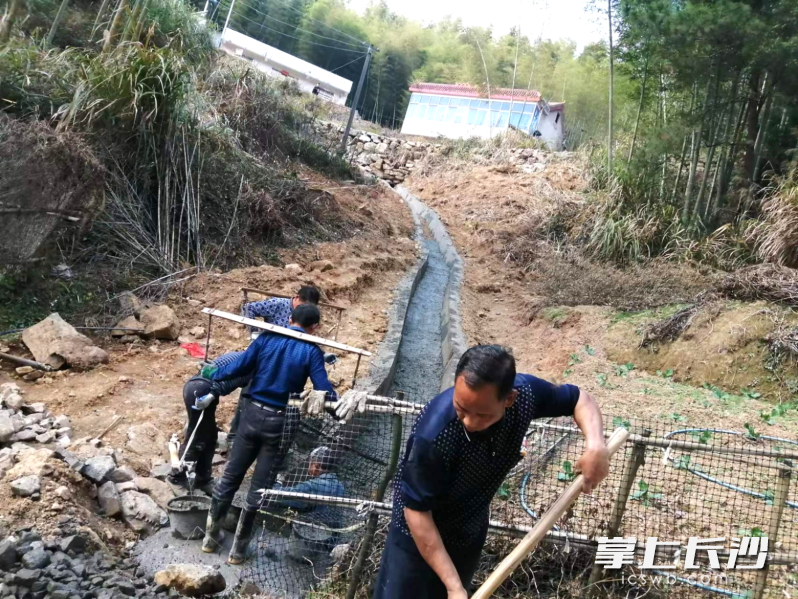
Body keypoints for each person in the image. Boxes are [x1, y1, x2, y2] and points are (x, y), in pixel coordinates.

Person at [372, 345, 609, 599]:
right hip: (417, 539)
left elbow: (579, 399)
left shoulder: (526, 396)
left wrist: (596, 445)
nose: (470, 423)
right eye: (461, 408)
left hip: (468, 529)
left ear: (509, 399)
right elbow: (417, 512)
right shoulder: (434, 435)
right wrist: (453, 587)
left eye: (483, 415)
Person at [197, 303, 339, 565]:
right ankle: (238, 551)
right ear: (315, 327)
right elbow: (323, 390)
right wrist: (338, 406)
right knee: (260, 487)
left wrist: (213, 373)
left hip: (250, 415)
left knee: (230, 477)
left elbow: (241, 366)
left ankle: (209, 539)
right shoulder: (312, 351)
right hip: (280, 422)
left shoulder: (266, 338)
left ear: (289, 318)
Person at [229, 285, 323, 448]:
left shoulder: (307, 317)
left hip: (286, 361)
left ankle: (266, 437)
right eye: (302, 306)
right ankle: (234, 435)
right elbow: (248, 308)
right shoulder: (278, 305)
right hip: (265, 356)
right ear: (295, 299)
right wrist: (254, 334)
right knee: (249, 393)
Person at [167, 351, 252, 492]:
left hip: (198, 386)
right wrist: (209, 397)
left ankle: (203, 479)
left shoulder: (244, 356)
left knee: (210, 435)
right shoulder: (253, 365)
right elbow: (225, 384)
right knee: (198, 436)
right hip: (201, 390)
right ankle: (178, 476)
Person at [272, 446, 346, 564]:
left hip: (310, 540)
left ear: (316, 466)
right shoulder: (340, 486)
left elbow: (282, 497)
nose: (309, 466)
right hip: (331, 539)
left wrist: (277, 482)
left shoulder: (312, 486)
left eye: (310, 463)